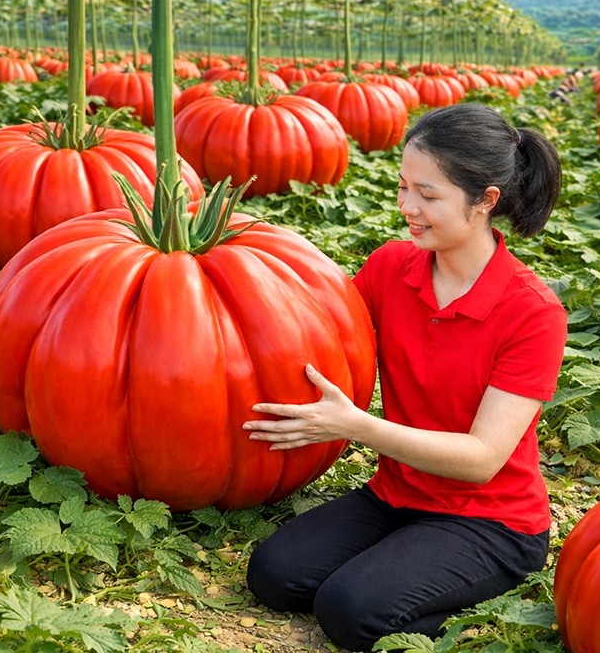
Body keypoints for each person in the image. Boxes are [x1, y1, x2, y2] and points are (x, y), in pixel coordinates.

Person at [243, 103, 567, 651]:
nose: (407, 207)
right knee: (274, 574)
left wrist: (355, 425)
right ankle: (402, 566)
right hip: (395, 495)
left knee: (350, 611)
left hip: (490, 521)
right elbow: (316, 332)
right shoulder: (392, 268)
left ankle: (473, 617)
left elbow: (482, 458)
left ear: (485, 201)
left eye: (429, 195)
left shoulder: (531, 311)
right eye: (403, 187)